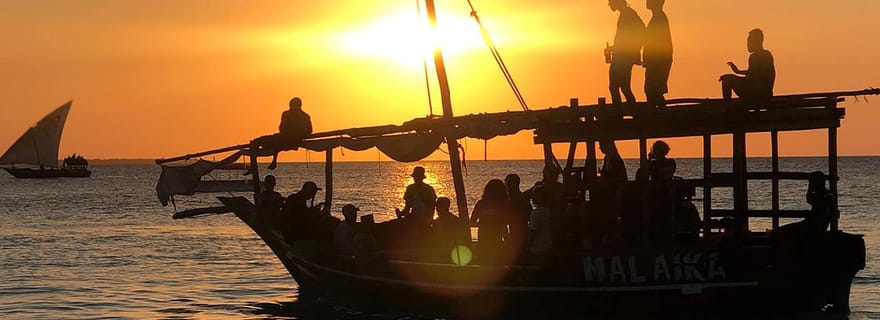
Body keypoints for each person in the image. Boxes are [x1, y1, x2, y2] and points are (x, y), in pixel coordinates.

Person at [252, 97, 313, 170]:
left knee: (269, 142)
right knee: (257, 141)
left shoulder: (304, 116)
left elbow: (309, 131)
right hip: (284, 137)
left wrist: (299, 135)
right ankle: (254, 166)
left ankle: (272, 161)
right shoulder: (288, 114)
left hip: (291, 139)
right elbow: (281, 128)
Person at [605, 0, 645, 105]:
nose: (609, 4)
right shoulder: (627, 14)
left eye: (610, 2)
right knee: (623, 88)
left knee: (615, 87)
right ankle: (631, 112)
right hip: (622, 57)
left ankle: (619, 114)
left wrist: (633, 51)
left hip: (623, 59)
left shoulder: (628, 14)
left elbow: (640, 34)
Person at [719, 29, 776, 101]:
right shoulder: (764, 55)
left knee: (727, 80)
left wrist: (734, 75)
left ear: (757, 41)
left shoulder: (760, 56)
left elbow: (754, 78)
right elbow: (753, 74)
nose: (748, 44)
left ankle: (727, 105)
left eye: (750, 41)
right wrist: (738, 72)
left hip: (758, 94)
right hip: (762, 93)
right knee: (728, 78)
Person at [643, 0, 673, 108]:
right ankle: (659, 114)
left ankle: (659, 116)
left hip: (658, 61)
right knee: (653, 91)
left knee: (653, 90)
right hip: (657, 61)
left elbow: (657, 42)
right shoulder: (657, 18)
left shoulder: (659, 19)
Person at [470, 179, 511, 249]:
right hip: (495, 238)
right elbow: (504, 223)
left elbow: (472, 222)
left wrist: (483, 224)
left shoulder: (481, 204)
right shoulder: (503, 204)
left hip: (486, 237)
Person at [505, 174, 532, 251]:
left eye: (506, 183)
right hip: (521, 231)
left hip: (518, 232)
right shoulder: (523, 198)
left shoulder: (510, 200)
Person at [528, 186, 553, 260]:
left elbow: (533, 231)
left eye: (534, 195)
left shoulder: (537, 212)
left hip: (538, 248)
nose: (532, 198)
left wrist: (527, 246)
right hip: (549, 246)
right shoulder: (551, 211)